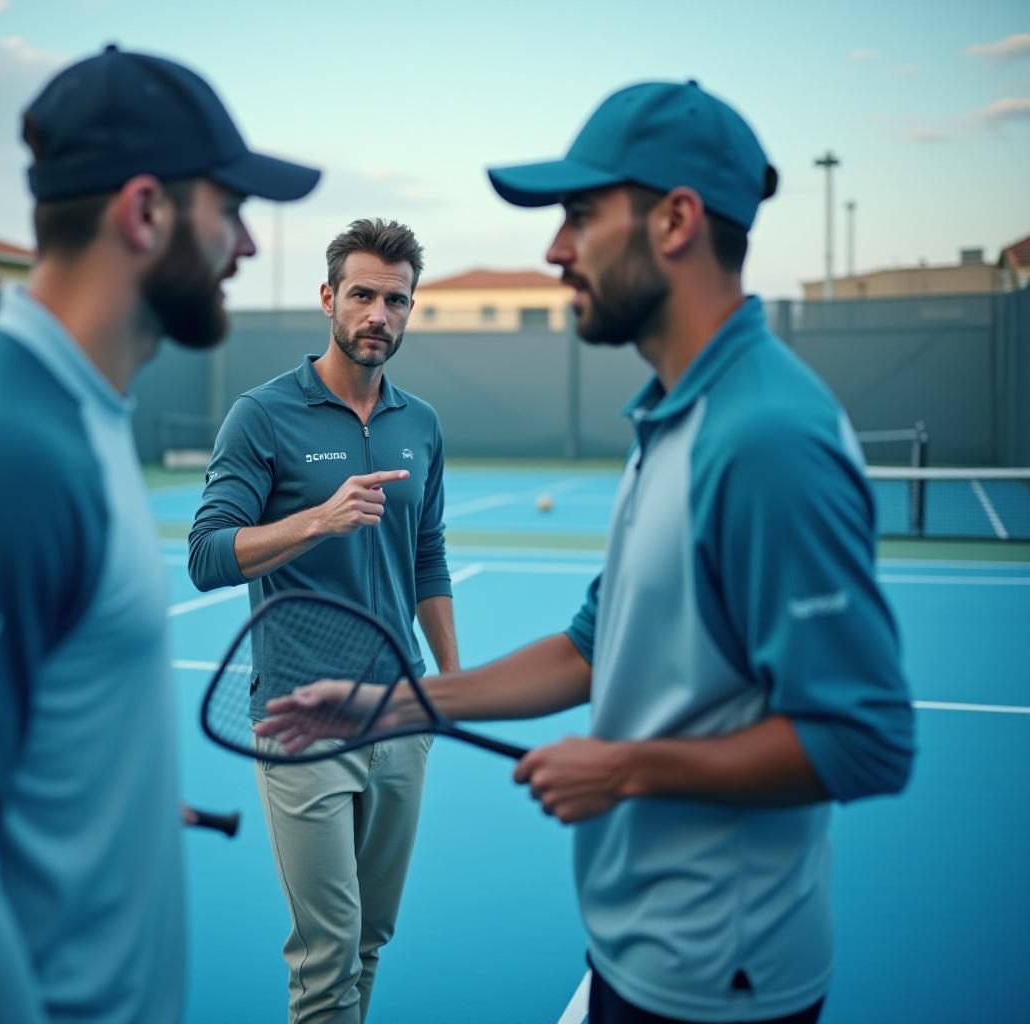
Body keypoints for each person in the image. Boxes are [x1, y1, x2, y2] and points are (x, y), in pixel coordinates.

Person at [259, 81, 915, 1024]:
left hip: (718, 979)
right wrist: (395, 705)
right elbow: (587, 650)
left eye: (581, 215)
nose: (555, 249)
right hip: (638, 949)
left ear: (676, 221)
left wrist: (625, 768)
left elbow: (866, 740)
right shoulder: (678, 420)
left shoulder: (767, 437)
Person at [0, 45, 319, 1024]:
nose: (244, 246)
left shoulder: (74, 417)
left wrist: (108, 802)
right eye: (228, 209)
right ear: (145, 213)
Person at [187, 217, 457, 1024]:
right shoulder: (262, 416)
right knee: (327, 953)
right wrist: (317, 520)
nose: (379, 314)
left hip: (400, 713)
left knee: (371, 938)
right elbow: (207, 555)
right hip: (301, 717)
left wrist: (451, 682)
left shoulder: (421, 424)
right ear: (328, 298)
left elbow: (428, 555)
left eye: (396, 301)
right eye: (363, 295)